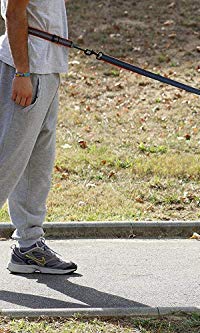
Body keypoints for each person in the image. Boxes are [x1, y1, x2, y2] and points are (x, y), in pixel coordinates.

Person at [0, 0, 77, 274]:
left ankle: (29, 247)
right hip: (26, 68)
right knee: (6, 163)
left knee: (37, 165)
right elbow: (14, 12)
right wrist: (22, 73)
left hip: (47, 68)